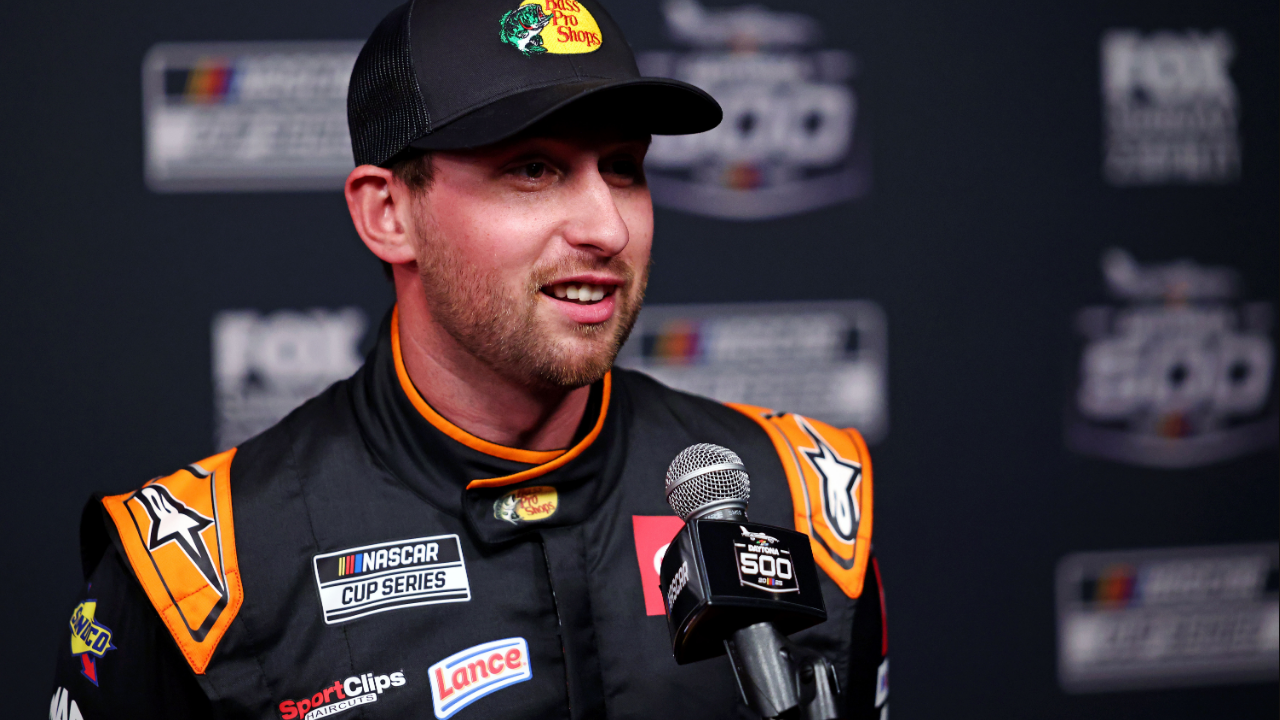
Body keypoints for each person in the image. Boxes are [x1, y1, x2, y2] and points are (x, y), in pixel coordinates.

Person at [49, 1, 887, 718]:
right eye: (534, 169)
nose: (607, 227)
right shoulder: (199, 573)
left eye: (623, 169)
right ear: (388, 215)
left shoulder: (800, 498)